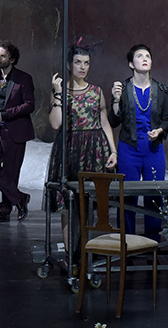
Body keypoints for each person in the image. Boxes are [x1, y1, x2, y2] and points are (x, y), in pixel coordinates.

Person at [45, 45, 118, 245]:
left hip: (94, 150)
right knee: (67, 203)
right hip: (69, 150)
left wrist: (113, 151)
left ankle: (86, 250)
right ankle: (71, 254)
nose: (82, 67)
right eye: (78, 62)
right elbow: (56, 123)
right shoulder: (61, 91)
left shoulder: (96, 91)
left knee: (89, 201)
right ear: (69, 65)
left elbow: (104, 123)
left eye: (86, 63)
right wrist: (58, 94)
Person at [108, 43, 168, 238]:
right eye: (139, 56)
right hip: (129, 148)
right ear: (131, 64)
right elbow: (113, 121)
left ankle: (152, 242)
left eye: (148, 56)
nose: (145, 59)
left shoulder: (161, 89)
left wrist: (159, 130)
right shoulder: (123, 88)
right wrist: (116, 100)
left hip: (153, 149)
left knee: (154, 196)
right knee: (127, 196)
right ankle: (126, 242)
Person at [0, 40, 35, 222]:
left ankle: (4, 210)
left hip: (15, 131)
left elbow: (29, 105)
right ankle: (20, 198)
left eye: (2, 56)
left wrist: (4, 115)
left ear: (12, 60)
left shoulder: (24, 78)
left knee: (11, 174)